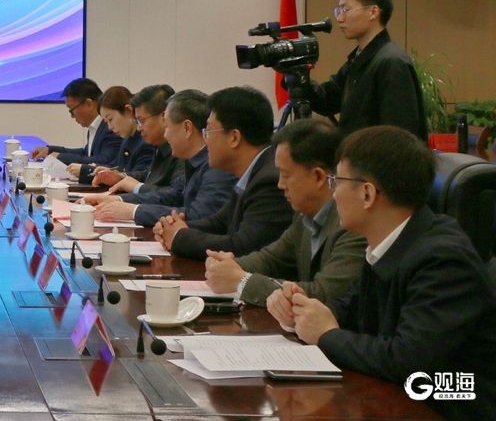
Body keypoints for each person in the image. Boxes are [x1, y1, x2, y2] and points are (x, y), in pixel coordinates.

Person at [286, 126, 496, 421]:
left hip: (456, 400)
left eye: (337, 181)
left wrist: (326, 335)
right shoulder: (389, 240)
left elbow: (406, 361)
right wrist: (300, 311)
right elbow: (350, 309)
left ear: (367, 193)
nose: (333, 194)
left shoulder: (442, 259)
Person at [204, 118, 365, 308]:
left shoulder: (353, 225)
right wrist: (229, 265)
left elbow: (324, 294)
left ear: (318, 176)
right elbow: (271, 259)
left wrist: (242, 281)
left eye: (286, 175)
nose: (280, 184)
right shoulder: (304, 216)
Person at [157, 86, 292, 260]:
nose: (205, 140)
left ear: (234, 137)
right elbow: (219, 222)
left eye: (208, 131)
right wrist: (172, 227)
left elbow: (243, 247)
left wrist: (179, 237)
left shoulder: (270, 181)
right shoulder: (254, 170)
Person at [86, 89, 235, 226]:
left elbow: (199, 215)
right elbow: (173, 197)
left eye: (167, 127)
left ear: (187, 128)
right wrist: (119, 200)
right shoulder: (194, 160)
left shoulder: (217, 167)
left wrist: (133, 211)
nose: (166, 134)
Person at [307, 0, 426, 139]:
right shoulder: (360, 57)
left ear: (373, 12)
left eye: (345, 10)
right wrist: (296, 75)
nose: (339, 18)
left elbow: (399, 136)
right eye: (338, 11)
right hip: (356, 154)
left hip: (376, 155)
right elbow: (328, 100)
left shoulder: (391, 62)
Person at [88, 84, 182, 194]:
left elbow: (175, 196)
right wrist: (121, 177)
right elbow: (148, 175)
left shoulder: (182, 150)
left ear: (164, 117)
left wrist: (133, 188)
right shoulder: (160, 146)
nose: (139, 128)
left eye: (141, 121)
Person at [31, 78, 120, 166]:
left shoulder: (111, 127)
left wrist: (61, 157)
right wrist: (50, 151)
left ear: (89, 104)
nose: (72, 116)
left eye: (71, 110)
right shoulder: (96, 126)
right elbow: (86, 153)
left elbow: (104, 160)